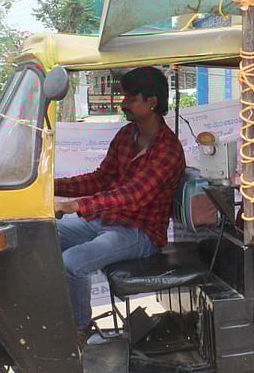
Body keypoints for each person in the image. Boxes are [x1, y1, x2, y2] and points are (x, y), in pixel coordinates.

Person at [54, 66, 186, 342]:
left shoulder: (168, 150)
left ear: (152, 102)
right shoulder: (128, 135)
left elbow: (133, 195)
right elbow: (102, 178)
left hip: (140, 233)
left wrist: (77, 205)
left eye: (131, 98)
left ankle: (79, 331)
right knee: (43, 234)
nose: (124, 104)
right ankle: (56, 316)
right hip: (107, 221)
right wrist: (50, 186)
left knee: (71, 264)